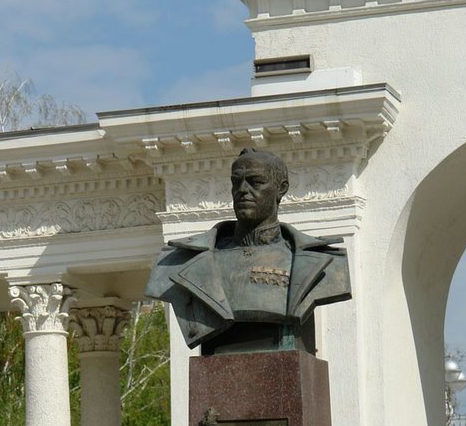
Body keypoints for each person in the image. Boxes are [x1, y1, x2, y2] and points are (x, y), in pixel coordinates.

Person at [146, 148, 351, 353]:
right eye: (237, 182)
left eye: (256, 182)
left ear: (281, 188)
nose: (242, 190)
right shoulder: (177, 262)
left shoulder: (322, 262)